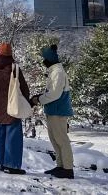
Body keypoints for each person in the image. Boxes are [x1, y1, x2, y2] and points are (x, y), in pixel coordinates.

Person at [30, 45, 75, 179]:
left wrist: (39, 99)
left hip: (58, 110)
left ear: (49, 59)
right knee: (55, 140)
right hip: (54, 110)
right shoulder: (54, 71)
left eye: (44, 58)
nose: (43, 61)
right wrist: (40, 97)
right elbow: (52, 92)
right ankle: (61, 166)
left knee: (61, 140)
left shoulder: (57, 73)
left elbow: (54, 94)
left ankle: (67, 169)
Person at [0, 43, 30, 175]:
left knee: (1, 135)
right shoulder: (13, 68)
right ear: (10, 53)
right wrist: (27, 101)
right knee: (13, 138)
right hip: (12, 106)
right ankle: (12, 165)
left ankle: (2, 163)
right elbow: (23, 88)